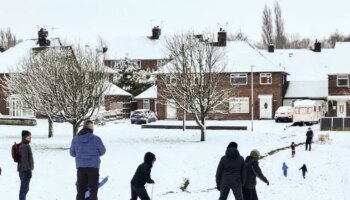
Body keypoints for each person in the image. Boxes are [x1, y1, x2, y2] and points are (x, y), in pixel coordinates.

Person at [70, 120, 106, 200]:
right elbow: (103, 151)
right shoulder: (96, 139)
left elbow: (72, 153)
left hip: (81, 168)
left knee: (80, 190)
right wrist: (94, 155)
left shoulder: (75, 139)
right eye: (92, 127)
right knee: (93, 190)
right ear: (90, 128)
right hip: (93, 168)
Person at [18, 130, 34, 200]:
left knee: (25, 189)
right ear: (24, 137)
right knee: (24, 190)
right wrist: (28, 171)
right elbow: (24, 160)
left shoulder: (24, 145)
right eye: (28, 136)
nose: (30, 138)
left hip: (23, 170)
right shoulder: (24, 146)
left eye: (31, 136)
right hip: (25, 171)